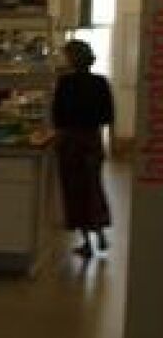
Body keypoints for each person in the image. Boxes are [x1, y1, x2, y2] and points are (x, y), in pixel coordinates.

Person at [52, 39, 114, 258]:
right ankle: (100, 232)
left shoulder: (65, 83)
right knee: (94, 187)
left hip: (70, 141)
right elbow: (108, 115)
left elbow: (57, 116)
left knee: (74, 191)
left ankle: (87, 242)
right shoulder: (101, 82)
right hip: (92, 139)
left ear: (71, 59)